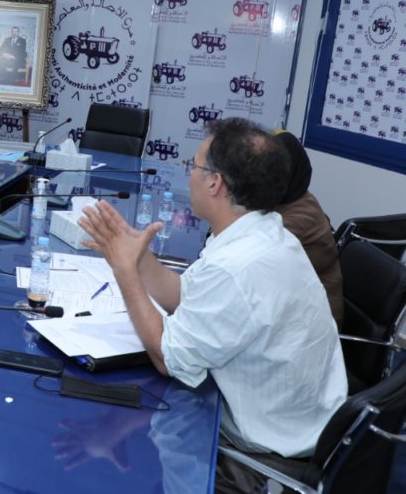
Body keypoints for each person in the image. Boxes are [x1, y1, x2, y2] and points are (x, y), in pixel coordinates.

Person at [78, 118, 346, 493]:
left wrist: (125, 272)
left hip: (265, 451)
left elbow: (168, 358)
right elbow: (183, 295)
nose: (189, 173)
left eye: (194, 165)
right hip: (304, 418)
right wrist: (137, 256)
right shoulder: (262, 232)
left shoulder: (236, 266)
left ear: (214, 183)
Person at [273, 131, 344, 330]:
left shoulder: (297, 220)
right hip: (295, 309)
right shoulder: (295, 195)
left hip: (314, 326)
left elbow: (249, 261)